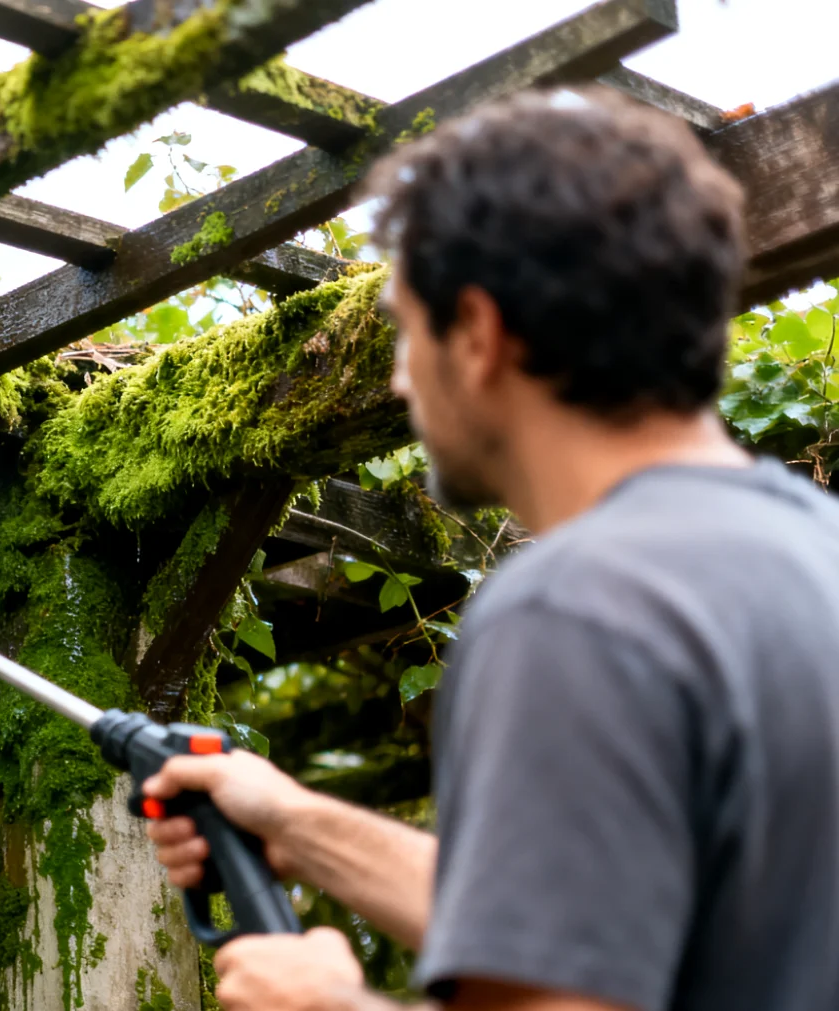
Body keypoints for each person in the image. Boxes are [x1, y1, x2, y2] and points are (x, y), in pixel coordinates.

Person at [143, 87, 839, 1011]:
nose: (399, 375)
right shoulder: (809, 554)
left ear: (475, 334)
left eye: (405, 328)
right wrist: (299, 824)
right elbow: (584, 921)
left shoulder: (577, 606)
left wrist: (325, 1005)